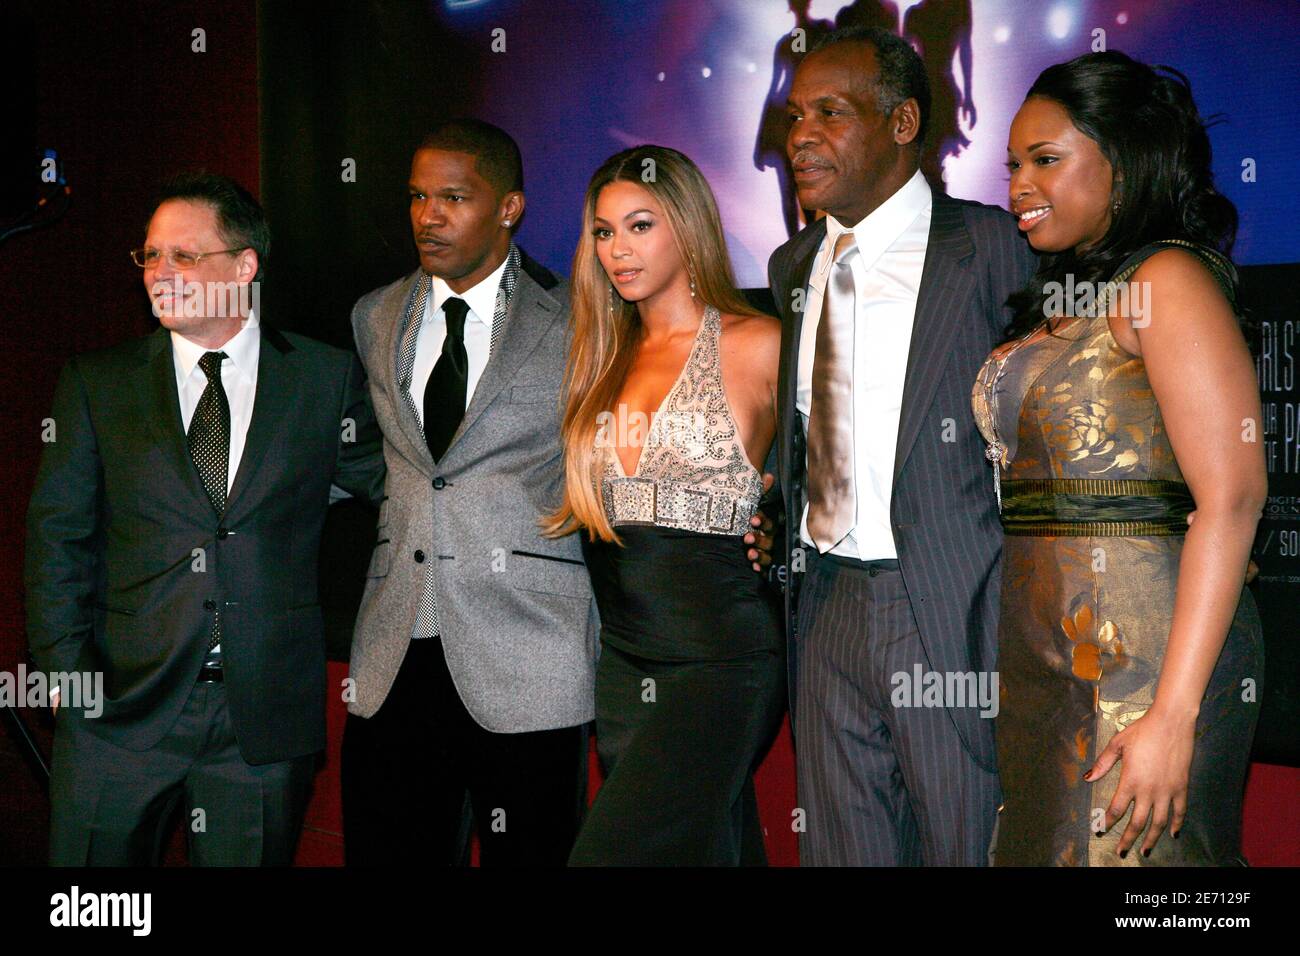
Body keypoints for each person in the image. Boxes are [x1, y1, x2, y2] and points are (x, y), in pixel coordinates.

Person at [26, 172, 384, 865]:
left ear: (244, 265)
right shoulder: (97, 383)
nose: (159, 272)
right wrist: (70, 685)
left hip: (260, 723)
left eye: (182, 256)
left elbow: (402, 491)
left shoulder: (322, 379)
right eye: (150, 256)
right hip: (116, 717)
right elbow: (56, 544)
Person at [975, 50, 1265, 866]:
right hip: (1044, 659)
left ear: (1126, 161)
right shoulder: (1069, 294)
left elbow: (1234, 498)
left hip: (1147, 662)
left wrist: (1173, 715)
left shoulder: (1168, 280)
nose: (1018, 188)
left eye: (1046, 160)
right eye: (1013, 166)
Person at [761, 26, 1037, 865]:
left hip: (949, 608)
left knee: (963, 842)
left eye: (831, 113)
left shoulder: (995, 248)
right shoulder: (794, 264)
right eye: (795, 113)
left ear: (905, 121)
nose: (800, 134)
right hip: (825, 604)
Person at [341, 119, 598, 866]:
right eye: (418, 196)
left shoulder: (578, 321)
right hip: (394, 646)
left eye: (454, 197)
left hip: (529, 646)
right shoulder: (376, 315)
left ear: (509, 207)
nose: (429, 216)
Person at [544, 145, 785, 866]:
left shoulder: (760, 342)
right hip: (623, 657)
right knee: (713, 848)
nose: (618, 249)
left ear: (688, 225)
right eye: (603, 231)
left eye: (640, 225)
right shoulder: (597, 353)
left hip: (722, 659)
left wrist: (774, 523)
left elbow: (831, 473)